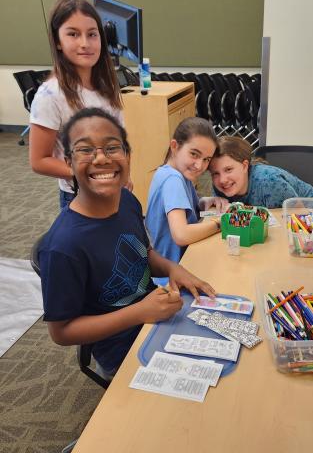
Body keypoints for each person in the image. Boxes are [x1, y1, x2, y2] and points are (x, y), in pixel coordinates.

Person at [38, 107, 215, 380]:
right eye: (85, 150)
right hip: (119, 345)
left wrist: (171, 269)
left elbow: (143, 254)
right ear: (69, 163)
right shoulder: (63, 246)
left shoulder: (128, 202)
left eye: (112, 148)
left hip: (154, 315)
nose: (101, 159)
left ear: (128, 157)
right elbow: (61, 332)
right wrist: (139, 313)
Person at [29, 0, 127, 208]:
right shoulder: (51, 94)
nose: (85, 43)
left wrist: (123, 174)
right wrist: (89, 171)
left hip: (112, 187)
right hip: (79, 195)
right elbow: (39, 160)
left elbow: (121, 141)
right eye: (73, 34)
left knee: (118, 240)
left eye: (92, 34)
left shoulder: (106, 86)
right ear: (57, 41)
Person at [145, 117, 228, 268]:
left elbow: (181, 210)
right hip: (174, 275)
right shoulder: (173, 179)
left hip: (177, 266)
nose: (199, 165)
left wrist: (203, 202)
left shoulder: (173, 172)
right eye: (194, 154)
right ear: (174, 146)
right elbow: (181, 235)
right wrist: (221, 223)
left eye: (206, 159)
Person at [209, 136, 313, 208]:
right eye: (215, 173)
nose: (222, 179)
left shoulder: (269, 182)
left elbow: (299, 215)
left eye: (228, 169)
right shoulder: (220, 185)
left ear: (244, 166)